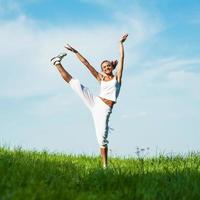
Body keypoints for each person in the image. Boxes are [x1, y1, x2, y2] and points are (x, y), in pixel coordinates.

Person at [51, 33, 128, 168]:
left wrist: (120, 44)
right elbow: (86, 64)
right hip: (96, 102)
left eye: (108, 66)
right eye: (103, 67)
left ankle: (104, 166)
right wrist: (75, 51)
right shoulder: (100, 78)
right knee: (76, 84)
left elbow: (122, 58)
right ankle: (56, 63)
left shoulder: (118, 78)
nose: (106, 68)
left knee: (102, 139)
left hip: (104, 110)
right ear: (102, 70)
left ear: (112, 66)